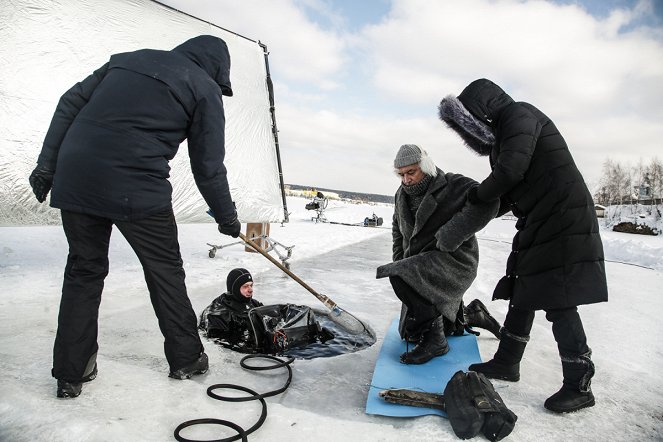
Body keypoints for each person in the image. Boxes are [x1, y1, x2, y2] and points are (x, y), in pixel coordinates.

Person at [28, 35, 242, 398]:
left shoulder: (126, 60)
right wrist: (228, 218)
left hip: (76, 177)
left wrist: (46, 168)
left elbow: (69, 104)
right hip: (137, 186)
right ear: (218, 68)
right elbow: (208, 166)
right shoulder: (204, 88)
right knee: (165, 271)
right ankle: (187, 359)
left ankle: (71, 373)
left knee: (84, 271)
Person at [438, 78, 608, 413]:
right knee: (524, 288)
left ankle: (579, 383)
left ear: (481, 112)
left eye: (469, 122)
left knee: (558, 298)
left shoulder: (519, 115)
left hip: (562, 215)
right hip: (539, 217)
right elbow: (506, 193)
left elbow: (509, 172)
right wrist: (470, 213)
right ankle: (507, 362)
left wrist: (476, 194)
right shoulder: (505, 136)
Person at [376, 144, 499, 364]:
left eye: (411, 172)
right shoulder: (401, 194)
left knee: (399, 275)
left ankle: (436, 343)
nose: (406, 180)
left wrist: (452, 234)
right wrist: (399, 257)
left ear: (425, 166)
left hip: (454, 259)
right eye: (401, 174)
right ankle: (472, 314)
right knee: (411, 333)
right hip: (420, 262)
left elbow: (489, 202)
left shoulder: (453, 185)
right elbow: (398, 227)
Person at [198, 268, 263, 351]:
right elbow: (219, 342)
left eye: (251, 285)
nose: (251, 290)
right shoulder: (217, 314)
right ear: (235, 288)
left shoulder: (254, 304)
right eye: (245, 286)